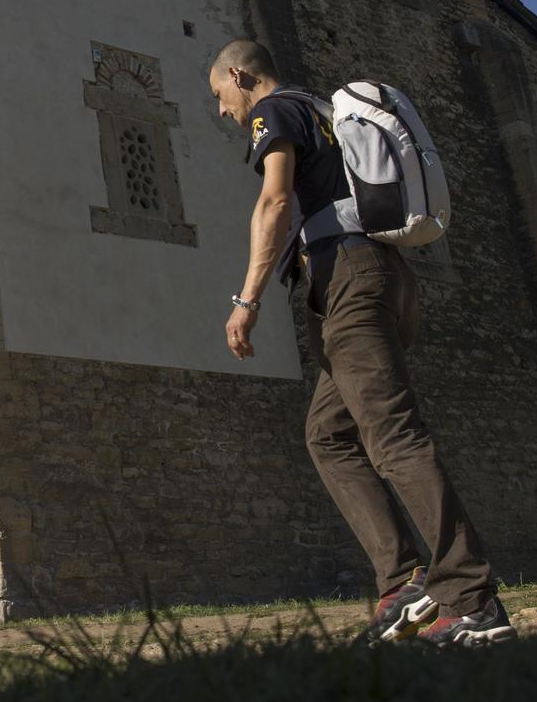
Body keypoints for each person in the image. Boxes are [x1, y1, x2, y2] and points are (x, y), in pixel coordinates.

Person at [208, 38, 513, 647]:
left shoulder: (279, 111)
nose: (222, 111)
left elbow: (273, 200)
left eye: (220, 96)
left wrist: (246, 300)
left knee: (394, 436)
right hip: (381, 280)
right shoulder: (322, 112)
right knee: (328, 434)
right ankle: (404, 582)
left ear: (241, 77)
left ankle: (471, 598)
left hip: (350, 279)